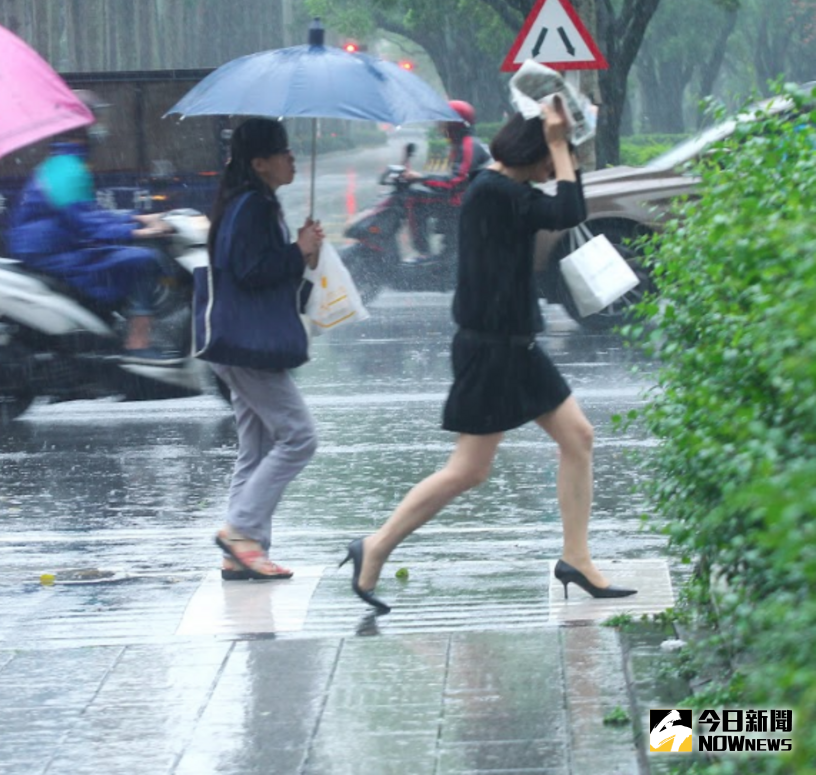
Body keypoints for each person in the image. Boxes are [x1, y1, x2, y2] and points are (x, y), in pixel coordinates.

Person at [341, 98, 636, 614]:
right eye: (550, 158)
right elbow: (569, 209)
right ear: (533, 151)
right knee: (469, 470)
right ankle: (377, 544)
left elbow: (564, 207)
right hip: (492, 350)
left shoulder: (505, 190)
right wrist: (560, 141)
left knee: (579, 438)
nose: (554, 170)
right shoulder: (494, 192)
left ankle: (576, 558)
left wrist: (560, 143)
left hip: (515, 346)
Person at [204, 118, 325, 580]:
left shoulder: (251, 202)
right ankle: (240, 531)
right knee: (299, 437)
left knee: (254, 448)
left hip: (240, 342)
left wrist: (302, 251)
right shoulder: (251, 206)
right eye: (283, 152)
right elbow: (252, 271)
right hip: (248, 345)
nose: (291, 158)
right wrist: (296, 250)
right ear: (259, 163)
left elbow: (259, 270)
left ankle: (243, 551)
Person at [6, 90, 180, 365]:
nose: (102, 128)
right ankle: (137, 343)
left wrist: (138, 219)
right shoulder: (68, 169)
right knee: (145, 260)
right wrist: (136, 232)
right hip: (55, 251)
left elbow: (88, 214)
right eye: (97, 120)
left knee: (129, 255)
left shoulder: (63, 164)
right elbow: (86, 222)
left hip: (58, 245)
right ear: (81, 127)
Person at [402, 99, 492, 260]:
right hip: (465, 199)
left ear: (454, 124)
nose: (439, 126)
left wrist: (421, 178)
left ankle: (423, 252)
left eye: (443, 122)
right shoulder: (462, 144)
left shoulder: (468, 145)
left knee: (413, 198)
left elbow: (455, 181)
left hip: (464, 203)